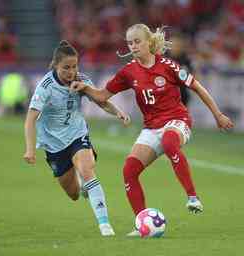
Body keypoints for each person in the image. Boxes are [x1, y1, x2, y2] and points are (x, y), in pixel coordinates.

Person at [70, 24, 234, 236]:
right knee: (129, 171)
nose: (133, 46)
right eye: (130, 43)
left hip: (178, 121)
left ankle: (192, 197)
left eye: (137, 41)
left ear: (148, 42)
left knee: (168, 141)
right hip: (151, 128)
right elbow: (102, 96)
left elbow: (197, 87)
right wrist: (85, 88)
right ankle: (142, 223)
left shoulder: (169, 66)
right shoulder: (128, 72)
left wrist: (218, 115)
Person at [23, 40, 130, 236]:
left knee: (87, 169)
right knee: (73, 194)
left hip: (77, 134)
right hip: (54, 144)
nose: (71, 72)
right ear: (55, 65)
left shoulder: (81, 80)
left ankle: (105, 225)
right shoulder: (46, 86)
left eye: (74, 66)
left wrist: (117, 112)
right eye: (66, 68)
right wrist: (30, 149)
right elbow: (30, 119)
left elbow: (100, 100)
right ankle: (82, 185)